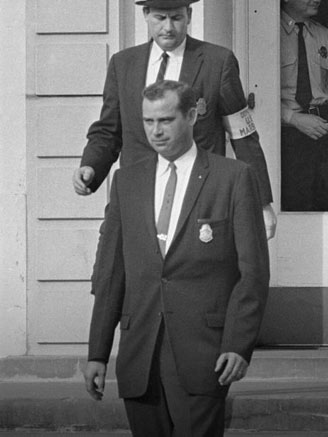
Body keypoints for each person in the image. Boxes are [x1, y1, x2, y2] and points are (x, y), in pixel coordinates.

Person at [83, 80, 270, 436]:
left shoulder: (233, 178)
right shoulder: (127, 181)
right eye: (148, 122)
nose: (156, 131)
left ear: (193, 115)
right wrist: (98, 351)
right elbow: (111, 273)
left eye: (166, 120)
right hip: (140, 352)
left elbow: (254, 273)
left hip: (204, 352)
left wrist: (238, 343)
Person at [72, 0, 277, 239]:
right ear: (146, 15)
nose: (168, 27)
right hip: (137, 198)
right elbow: (108, 130)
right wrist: (91, 166)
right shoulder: (123, 64)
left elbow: (242, 135)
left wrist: (262, 202)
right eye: (160, 18)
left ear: (189, 15)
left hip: (199, 200)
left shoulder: (217, 62)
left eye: (177, 18)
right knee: (111, 274)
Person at [279, 0, 328, 211]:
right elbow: (257, 94)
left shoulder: (325, 37)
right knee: (294, 201)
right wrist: (292, 118)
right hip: (286, 133)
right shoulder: (269, 33)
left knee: (327, 198)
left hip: (322, 128)